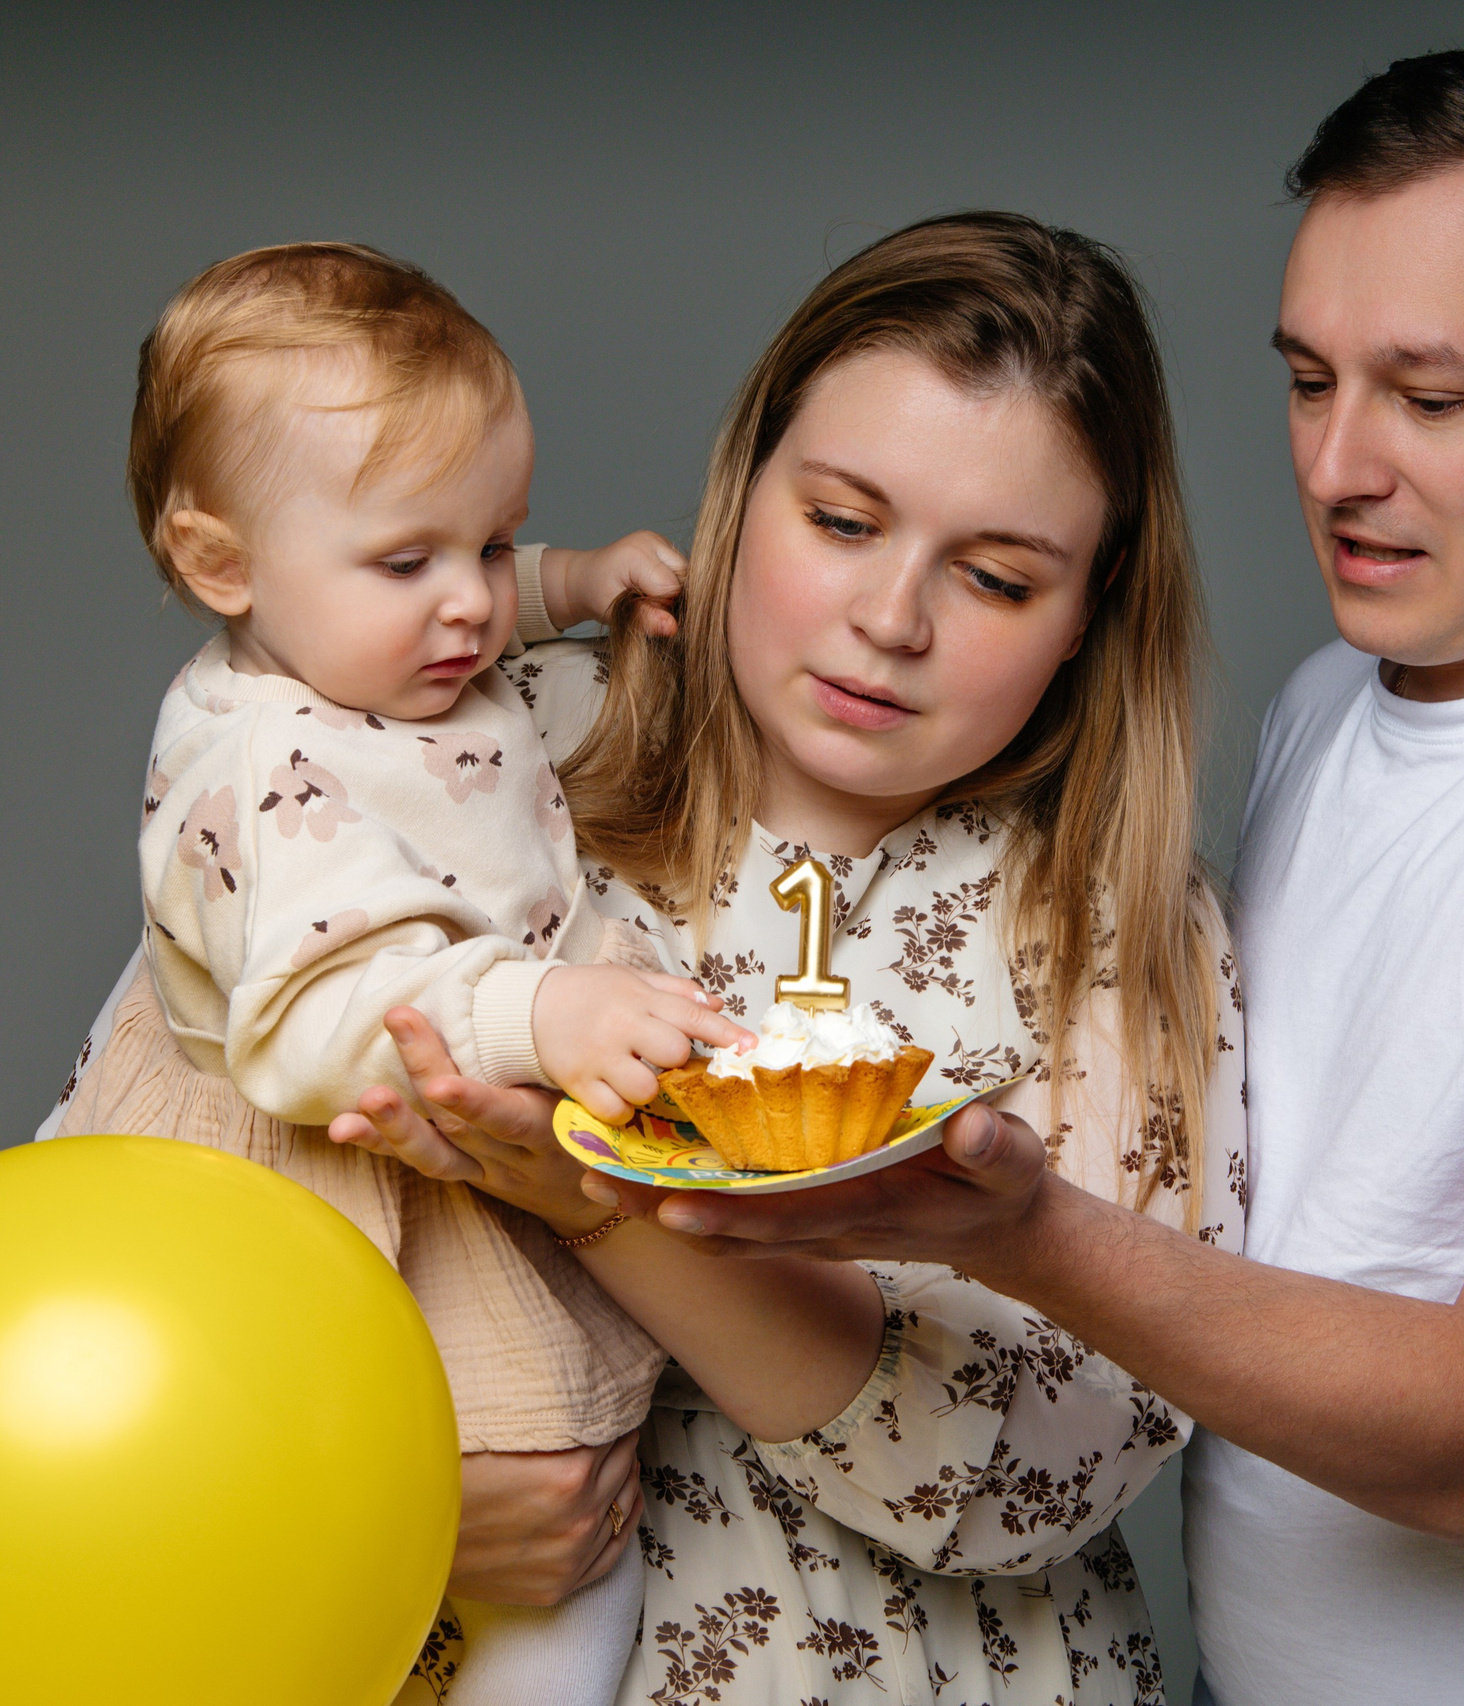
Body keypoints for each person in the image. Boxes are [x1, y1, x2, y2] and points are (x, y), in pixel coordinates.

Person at [566, 38, 1464, 1704]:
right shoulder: (1335, 706)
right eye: (1313, 381)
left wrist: (1024, 1228)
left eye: (1434, 398)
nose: (1335, 467)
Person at [328, 209, 1250, 1703]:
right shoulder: (476, 747)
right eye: (840, 520)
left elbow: (1036, 1470)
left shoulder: (1117, 916)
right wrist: (384, 1505)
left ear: (1090, 615)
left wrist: (599, 1202)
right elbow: (180, 1168)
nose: (890, 620)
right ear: (746, 481)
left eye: (1000, 578)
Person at [53, 240, 744, 1706]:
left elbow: (482, 598)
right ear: (220, 563)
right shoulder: (264, 771)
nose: (475, 608)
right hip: (325, 1166)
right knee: (521, 1517)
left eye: (496, 543)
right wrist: (544, 1008)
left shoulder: (384, 650)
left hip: (435, 1129)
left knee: (559, 1545)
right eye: (411, 560)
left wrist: (580, 578)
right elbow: (321, 1024)